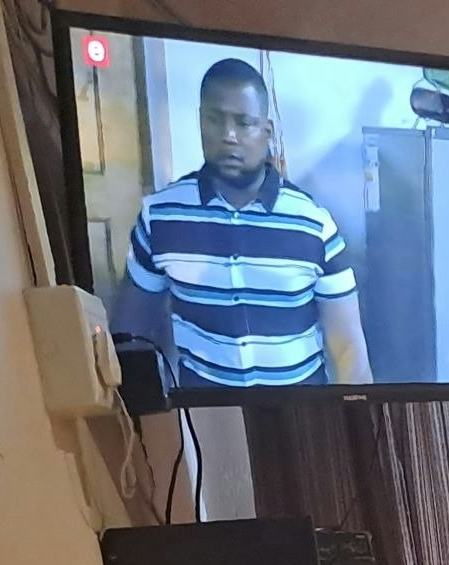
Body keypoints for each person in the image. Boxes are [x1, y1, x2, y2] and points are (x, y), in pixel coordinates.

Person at [111, 57, 370, 389]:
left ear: (267, 132)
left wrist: (354, 415)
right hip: (204, 412)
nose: (229, 136)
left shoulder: (313, 224)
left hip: (302, 409)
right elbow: (130, 332)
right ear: (200, 121)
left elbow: (349, 349)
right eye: (215, 120)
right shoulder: (160, 217)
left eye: (244, 123)